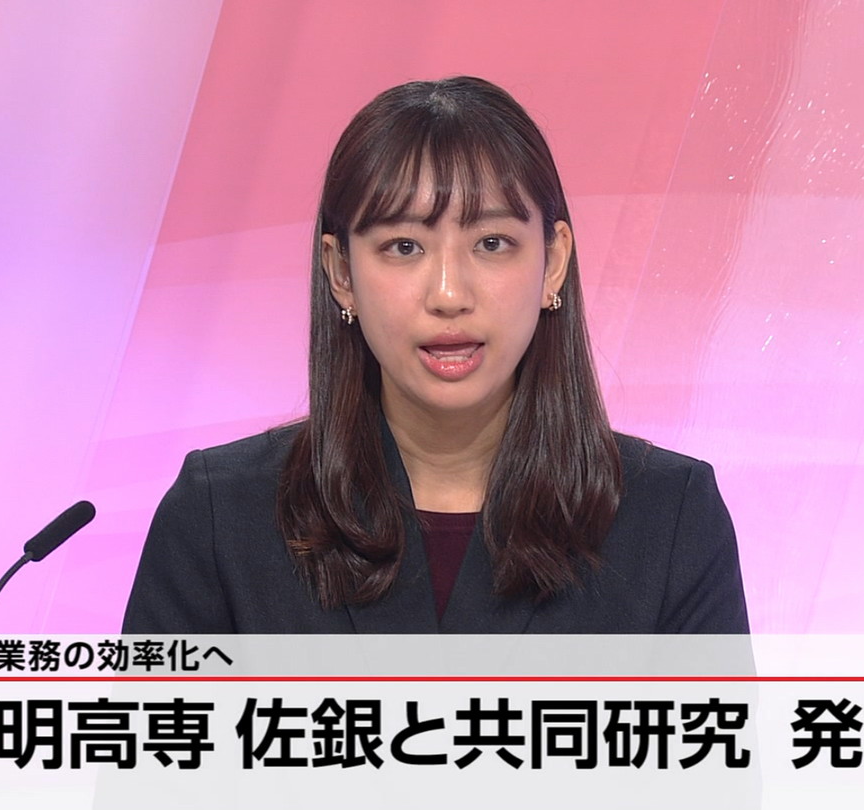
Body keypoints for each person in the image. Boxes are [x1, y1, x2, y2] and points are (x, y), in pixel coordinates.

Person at [122, 76, 749, 634]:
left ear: (553, 262)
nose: (449, 295)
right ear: (341, 273)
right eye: (403, 247)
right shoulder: (221, 514)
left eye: (492, 243)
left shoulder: (670, 518)